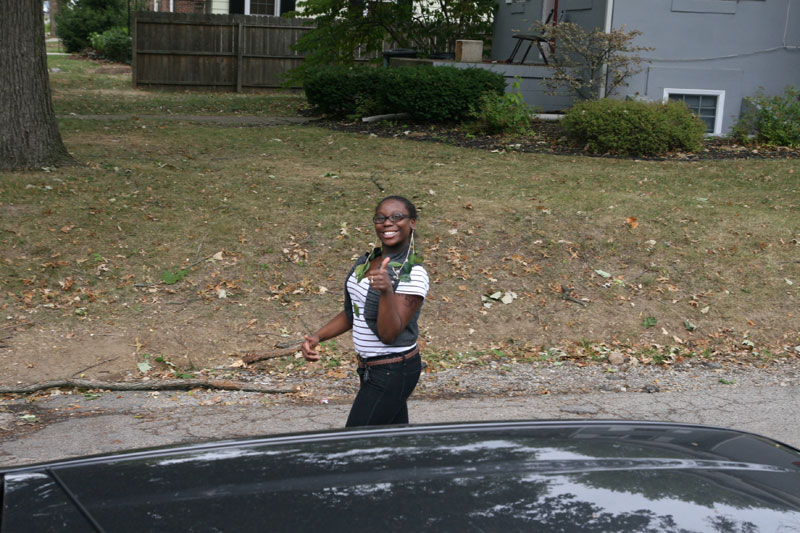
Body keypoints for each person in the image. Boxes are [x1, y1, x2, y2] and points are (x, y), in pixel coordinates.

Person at [301, 195, 429, 427]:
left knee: (354, 442)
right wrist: (318, 337)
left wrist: (386, 292)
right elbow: (353, 313)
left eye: (397, 217)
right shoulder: (370, 260)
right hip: (371, 368)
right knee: (390, 445)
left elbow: (389, 334)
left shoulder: (413, 273)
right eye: (381, 218)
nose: (387, 223)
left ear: (412, 222)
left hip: (393, 369)